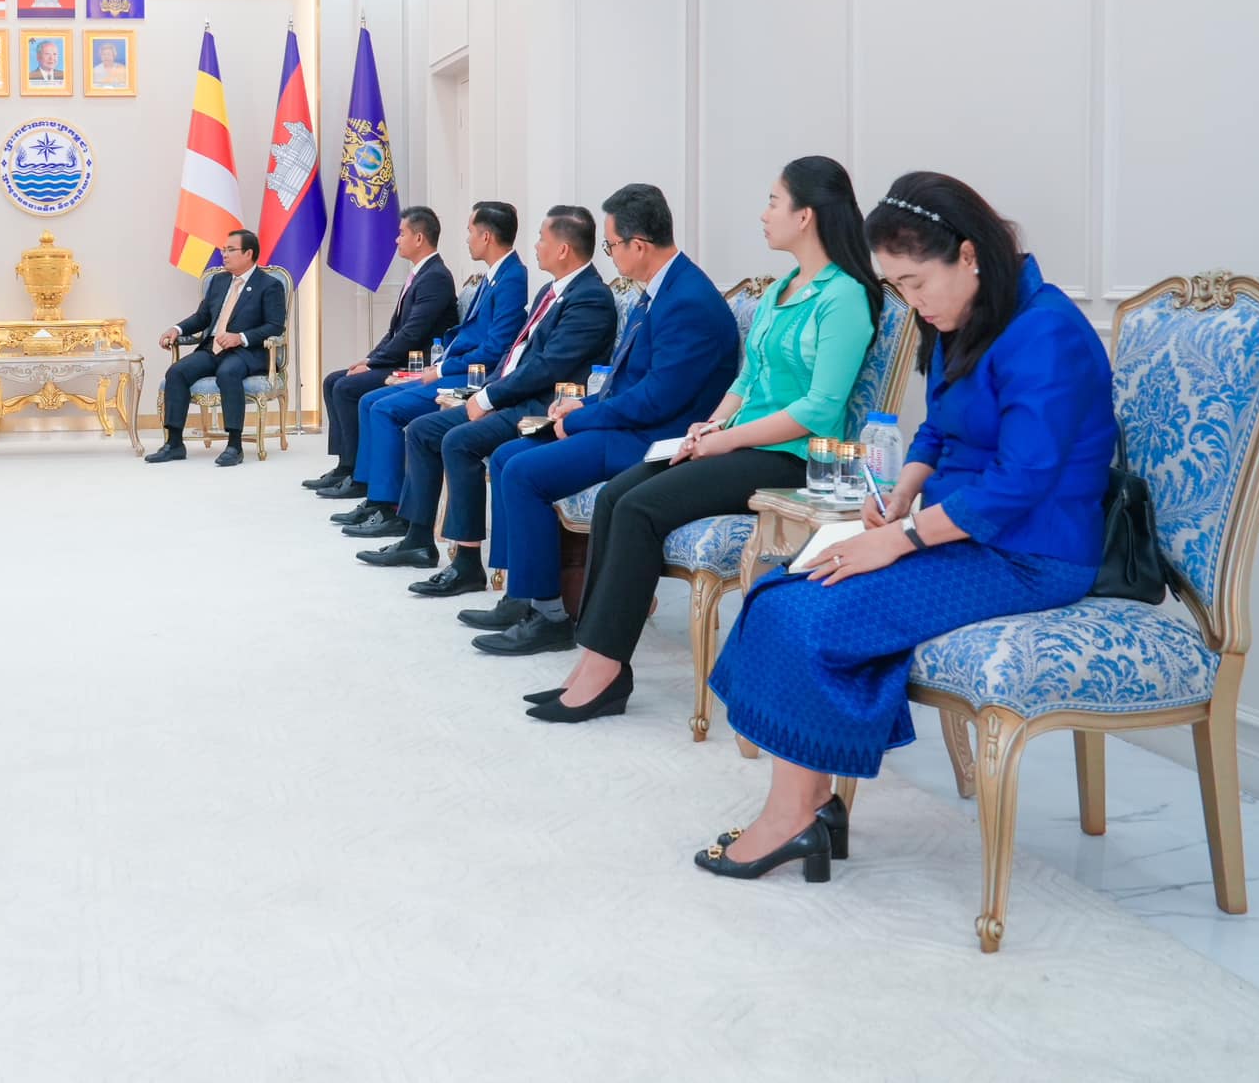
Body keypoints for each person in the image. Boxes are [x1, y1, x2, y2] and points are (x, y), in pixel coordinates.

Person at [695, 172, 1114, 884]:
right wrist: (902, 492)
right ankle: (811, 807)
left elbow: (1020, 484)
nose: (913, 302)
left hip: (1031, 552)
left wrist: (900, 538)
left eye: (917, 283)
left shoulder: (1046, 333)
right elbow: (940, 428)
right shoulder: (968, 313)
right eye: (899, 288)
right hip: (962, 531)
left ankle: (792, 818)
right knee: (779, 589)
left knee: (809, 612)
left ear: (969, 255)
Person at [492, 159, 880, 697]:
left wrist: (726, 438)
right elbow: (747, 378)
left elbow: (820, 407)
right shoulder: (782, 290)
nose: (764, 214)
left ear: (806, 215)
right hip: (738, 441)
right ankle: (594, 657)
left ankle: (606, 671)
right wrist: (710, 425)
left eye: (773, 201)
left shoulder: (844, 297)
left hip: (791, 456)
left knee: (638, 507)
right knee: (617, 496)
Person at [463, 183, 743, 653]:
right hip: (634, 423)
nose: (608, 255)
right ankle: (521, 595)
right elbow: (626, 385)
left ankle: (549, 616)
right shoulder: (660, 290)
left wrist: (580, 421)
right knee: (509, 454)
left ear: (639, 245)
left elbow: (657, 399)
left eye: (611, 245)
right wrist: (582, 407)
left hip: (658, 439)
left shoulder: (688, 300)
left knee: (525, 472)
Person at [356, 208, 616, 592]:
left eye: (542, 239)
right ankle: (418, 539)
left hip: (541, 406)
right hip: (511, 393)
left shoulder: (590, 298)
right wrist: (485, 391)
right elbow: (515, 354)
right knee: (422, 431)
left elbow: (547, 367)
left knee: (458, 441)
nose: (535, 246)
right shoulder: (551, 291)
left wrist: (490, 397)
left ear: (563, 249)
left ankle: (467, 562)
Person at [335, 201, 529, 538]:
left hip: (474, 375)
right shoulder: (494, 275)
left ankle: (390, 507)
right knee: (372, 401)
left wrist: (441, 369)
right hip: (454, 365)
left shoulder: (511, 277)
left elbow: (495, 348)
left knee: (385, 409)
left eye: (470, 231)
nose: (466, 239)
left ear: (486, 236)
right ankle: (376, 497)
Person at [304, 205, 459, 498]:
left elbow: (413, 334)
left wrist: (375, 364)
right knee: (332, 380)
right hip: (399, 357)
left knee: (346, 387)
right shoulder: (419, 275)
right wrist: (369, 359)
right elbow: (394, 332)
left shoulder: (436, 277)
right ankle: (345, 465)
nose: (396, 239)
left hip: (417, 364)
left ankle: (358, 475)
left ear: (419, 238)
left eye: (401, 233)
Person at [147, 229, 289, 467]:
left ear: (248, 253)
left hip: (247, 351)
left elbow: (275, 326)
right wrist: (177, 329)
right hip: (213, 348)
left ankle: (234, 446)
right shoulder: (219, 281)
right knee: (177, 372)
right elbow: (202, 317)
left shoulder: (269, 285)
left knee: (228, 372)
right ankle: (174, 444)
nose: (224, 254)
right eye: (224, 249)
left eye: (230, 250)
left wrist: (240, 337)